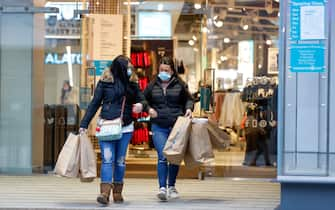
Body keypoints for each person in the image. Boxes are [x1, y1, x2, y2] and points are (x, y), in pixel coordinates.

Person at [79, 55, 146, 205]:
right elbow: (94, 103)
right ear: (119, 68)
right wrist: (84, 124)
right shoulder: (105, 82)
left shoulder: (132, 83)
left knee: (120, 161)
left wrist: (141, 105)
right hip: (107, 126)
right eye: (126, 68)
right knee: (107, 159)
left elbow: (142, 99)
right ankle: (104, 192)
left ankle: (117, 192)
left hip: (126, 126)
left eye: (130, 68)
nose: (129, 70)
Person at [143, 56, 194, 201]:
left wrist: (189, 108)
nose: (163, 72)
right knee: (162, 156)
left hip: (176, 126)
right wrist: (148, 108)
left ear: (172, 71)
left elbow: (189, 99)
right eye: (161, 70)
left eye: (166, 70)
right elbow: (143, 99)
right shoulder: (152, 85)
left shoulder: (180, 84)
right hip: (158, 125)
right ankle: (162, 188)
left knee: (174, 156)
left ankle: (171, 186)